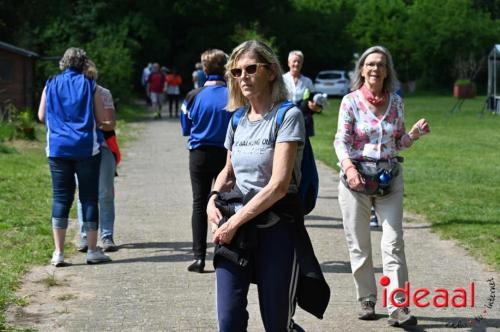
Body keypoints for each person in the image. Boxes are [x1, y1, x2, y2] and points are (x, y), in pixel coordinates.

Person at [207, 40, 327, 332]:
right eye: (236, 72)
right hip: (236, 231)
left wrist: (234, 221)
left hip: (276, 229)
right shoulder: (237, 119)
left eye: (251, 69)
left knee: (276, 323)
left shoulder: (288, 116)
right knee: (229, 319)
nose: (243, 77)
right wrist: (212, 198)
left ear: (271, 72)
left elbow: (278, 185)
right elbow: (228, 170)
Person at [334, 45, 429, 327]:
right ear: (362, 70)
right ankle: (366, 298)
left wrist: (413, 135)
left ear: (387, 71)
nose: (375, 69)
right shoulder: (350, 101)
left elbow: (397, 141)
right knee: (359, 244)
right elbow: (342, 141)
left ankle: (398, 306)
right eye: (370, 64)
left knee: (393, 243)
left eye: (381, 64)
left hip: (389, 180)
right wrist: (350, 169)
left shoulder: (397, 103)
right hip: (356, 181)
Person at [38, 47, 114, 266]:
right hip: (86, 148)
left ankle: (59, 253)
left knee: (61, 197)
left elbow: (42, 116)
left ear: (63, 62)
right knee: (89, 197)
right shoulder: (91, 86)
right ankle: (92, 250)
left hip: (58, 149)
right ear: (83, 64)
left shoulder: (50, 84)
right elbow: (101, 119)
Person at [181, 49, 231, 273]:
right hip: (226, 154)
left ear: (204, 69)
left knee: (199, 203)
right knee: (225, 202)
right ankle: (225, 254)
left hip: (199, 154)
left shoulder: (193, 96)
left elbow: (186, 127)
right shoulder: (234, 94)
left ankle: (199, 257)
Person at [77, 60, 121, 253]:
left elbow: (110, 123)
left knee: (104, 193)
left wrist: (92, 125)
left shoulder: (103, 93)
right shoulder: (73, 94)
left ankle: (106, 235)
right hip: (80, 149)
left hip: (103, 147)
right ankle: (85, 236)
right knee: (84, 194)